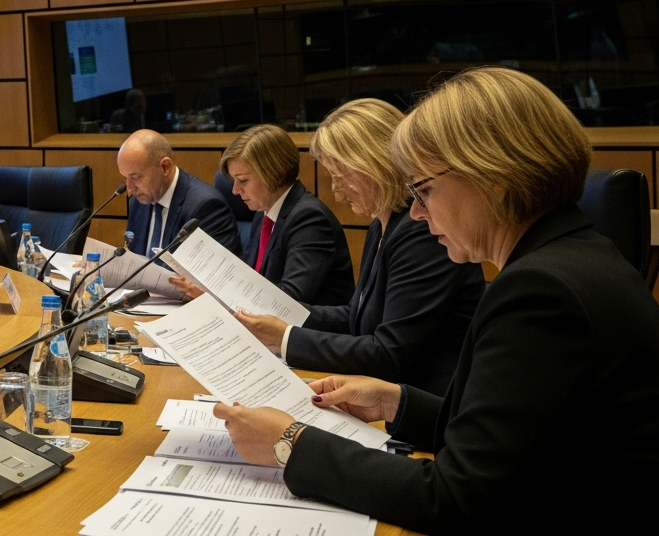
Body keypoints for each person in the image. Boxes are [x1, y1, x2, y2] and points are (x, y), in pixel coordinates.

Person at [212, 67, 659, 533]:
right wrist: (397, 402)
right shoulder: (571, 258)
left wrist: (291, 441)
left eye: (424, 190)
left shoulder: (541, 293)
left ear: (494, 175)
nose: (419, 213)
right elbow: (511, 443)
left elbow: (456, 498)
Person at [228, 99, 484, 395]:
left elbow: (388, 355)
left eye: (343, 176)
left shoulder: (422, 230)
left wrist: (285, 337)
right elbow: (355, 317)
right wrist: (277, 314)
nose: (336, 191)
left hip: (427, 408)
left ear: (376, 162)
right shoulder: (381, 223)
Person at [183, 124, 354, 305]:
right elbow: (251, 280)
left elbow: (289, 300)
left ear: (274, 174)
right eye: (234, 181)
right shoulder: (263, 214)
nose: (235, 190)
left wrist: (220, 295)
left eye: (243, 180)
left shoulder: (310, 219)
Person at [119, 129, 241, 258]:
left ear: (165, 167)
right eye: (125, 178)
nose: (130, 188)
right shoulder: (138, 202)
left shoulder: (206, 206)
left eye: (136, 177)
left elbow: (217, 273)